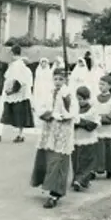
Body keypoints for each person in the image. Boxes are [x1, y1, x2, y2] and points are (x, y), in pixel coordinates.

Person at [30, 68, 76, 209]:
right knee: (48, 158)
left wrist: (64, 115)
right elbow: (41, 107)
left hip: (62, 131)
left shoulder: (68, 93)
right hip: (49, 129)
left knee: (58, 159)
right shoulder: (49, 92)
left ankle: (55, 193)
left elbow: (73, 111)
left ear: (65, 80)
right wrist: (49, 114)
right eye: (55, 79)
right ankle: (46, 184)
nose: (58, 82)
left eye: (61, 79)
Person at [0, 45, 34, 143]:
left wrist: (12, 90)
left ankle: (20, 135)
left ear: (12, 53)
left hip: (17, 94)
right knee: (5, 113)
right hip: (12, 94)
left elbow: (20, 80)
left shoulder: (18, 65)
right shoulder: (14, 64)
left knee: (19, 115)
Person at [71, 86, 100, 191]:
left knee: (87, 160)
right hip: (76, 138)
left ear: (88, 98)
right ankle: (77, 179)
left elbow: (94, 124)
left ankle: (81, 180)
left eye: (83, 99)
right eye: (79, 99)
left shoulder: (92, 109)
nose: (81, 101)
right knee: (76, 159)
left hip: (88, 139)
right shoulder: (74, 109)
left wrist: (80, 122)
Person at [94, 75, 111, 179]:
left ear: (110, 86)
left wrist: (101, 119)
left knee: (109, 149)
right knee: (98, 150)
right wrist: (95, 119)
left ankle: (109, 168)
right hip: (98, 129)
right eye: (100, 84)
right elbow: (92, 112)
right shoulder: (95, 99)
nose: (101, 86)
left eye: (103, 84)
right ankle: (96, 169)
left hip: (108, 129)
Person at [33, 58, 54, 131]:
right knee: (39, 104)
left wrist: (51, 89)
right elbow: (36, 81)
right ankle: (38, 120)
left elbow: (51, 81)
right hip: (39, 90)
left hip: (47, 90)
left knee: (46, 104)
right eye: (42, 62)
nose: (43, 64)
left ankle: (47, 119)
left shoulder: (49, 71)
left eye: (45, 62)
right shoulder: (38, 71)